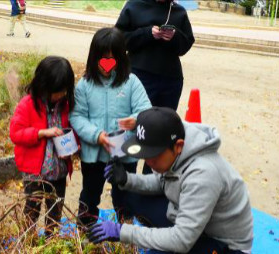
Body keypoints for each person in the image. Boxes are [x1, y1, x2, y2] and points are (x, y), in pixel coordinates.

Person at [89, 107, 253, 254]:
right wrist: (126, 179)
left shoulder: (203, 174)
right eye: (145, 155)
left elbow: (182, 240)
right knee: (129, 194)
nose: (148, 162)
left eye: (154, 155)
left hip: (225, 245)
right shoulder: (171, 146)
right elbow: (162, 182)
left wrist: (123, 232)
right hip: (196, 225)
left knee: (167, 246)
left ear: (178, 146)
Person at [70, 27, 151, 227]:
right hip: (94, 155)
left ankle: (126, 232)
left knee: (124, 198)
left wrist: (136, 119)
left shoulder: (131, 83)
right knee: (89, 196)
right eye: (102, 59)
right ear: (93, 57)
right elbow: (77, 116)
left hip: (125, 155)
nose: (106, 65)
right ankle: (86, 232)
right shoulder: (84, 85)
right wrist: (97, 135)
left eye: (111, 59)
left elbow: (146, 110)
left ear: (121, 58)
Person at [10, 56, 77, 235]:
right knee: (32, 210)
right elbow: (15, 134)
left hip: (59, 171)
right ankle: (28, 241)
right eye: (58, 91)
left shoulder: (66, 105)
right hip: (35, 173)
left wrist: (72, 148)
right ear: (44, 86)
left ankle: (50, 240)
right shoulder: (27, 105)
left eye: (64, 90)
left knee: (55, 211)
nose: (61, 94)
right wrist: (41, 133)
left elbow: (73, 131)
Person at [115, 0, 195, 111]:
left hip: (170, 80)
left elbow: (186, 45)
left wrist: (174, 36)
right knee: (136, 119)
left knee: (164, 123)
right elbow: (118, 39)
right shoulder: (134, 6)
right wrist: (147, 33)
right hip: (138, 75)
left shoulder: (179, 12)